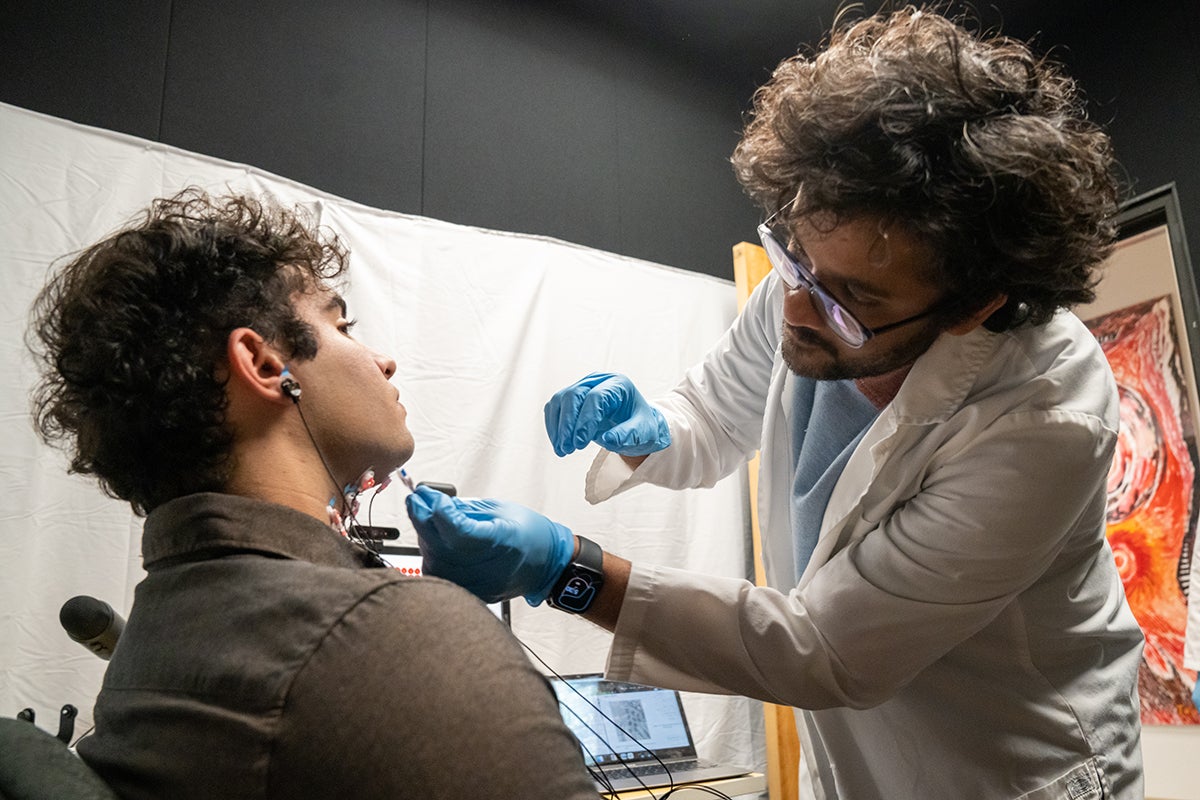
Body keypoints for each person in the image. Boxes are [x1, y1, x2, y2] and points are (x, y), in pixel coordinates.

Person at [405, 7, 1145, 799]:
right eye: (793, 260)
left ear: (972, 306)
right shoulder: (815, 281)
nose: (794, 308)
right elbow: (715, 415)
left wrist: (568, 568)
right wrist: (649, 427)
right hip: (862, 753)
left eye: (848, 300)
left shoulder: (1044, 417)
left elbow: (825, 648)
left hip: (1007, 764)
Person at [29, 189, 598, 800]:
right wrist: (434, 633)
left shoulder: (152, 636)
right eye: (343, 324)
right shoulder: (401, 638)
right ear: (266, 363)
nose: (385, 361)